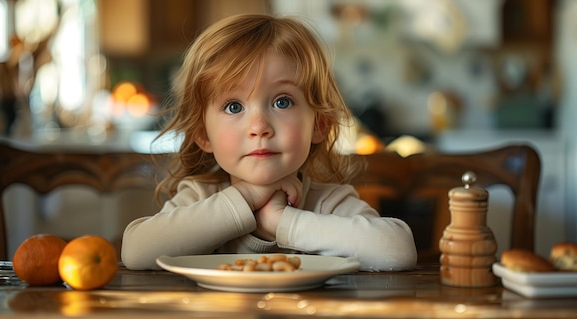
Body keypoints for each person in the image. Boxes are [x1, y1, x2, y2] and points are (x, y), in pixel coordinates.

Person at [121, 14, 417, 271]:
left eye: (282, 101)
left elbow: (397, 250)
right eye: (234, 107)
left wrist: (281, 221)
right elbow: (136, 251)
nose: (259, 127)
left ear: (320, 124)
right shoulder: (200, 197)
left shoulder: (327, 203)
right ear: (202, 134)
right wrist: (246, 198)